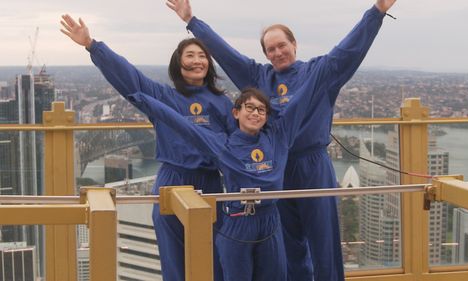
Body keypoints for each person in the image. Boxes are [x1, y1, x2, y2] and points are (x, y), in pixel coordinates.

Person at [166, 1, 397, 280]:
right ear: (265, 54)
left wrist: (377, 12)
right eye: (270, 49)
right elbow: (226, 55)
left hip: (313, 166)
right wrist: (192, 21)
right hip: (275, 168)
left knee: (324, 242)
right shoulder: (259, 76)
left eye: (281, 45)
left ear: (294, 44)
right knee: (288, 247)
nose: (277, 52)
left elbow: (348, 51)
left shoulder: (318, 72)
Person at [60, 14, 236, 281]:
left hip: (210, 182)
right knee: (174, 262)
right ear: (179, 63)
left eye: (202, 55)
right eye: (190, 55)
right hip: (172, 180)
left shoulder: (223, 103)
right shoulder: (164, 97)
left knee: (214, 261)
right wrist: (92, 45)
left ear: (209, 64)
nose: (197, 60)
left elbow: (239, 147)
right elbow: (131, 79)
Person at [127, 74, 330, 280]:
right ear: (236, 113)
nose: (255, 113)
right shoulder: (223, 145)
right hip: (237, 222)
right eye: (249, 108)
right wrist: (143, 100)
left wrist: (328, 69)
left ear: (267, 117)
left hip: (270, 220)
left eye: (261, 110)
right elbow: (182, 125)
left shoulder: (278, 137)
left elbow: (304, 97)